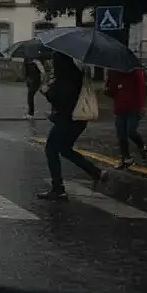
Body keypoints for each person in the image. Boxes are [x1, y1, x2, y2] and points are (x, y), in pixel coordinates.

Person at [38, 51, 106, 199]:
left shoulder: (64, 80)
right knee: (65, 149)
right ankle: (95, 172)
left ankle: (58, 188)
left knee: (51, 150)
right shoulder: (76, 75)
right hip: (79, 121)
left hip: (66, 121)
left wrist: (47, 92)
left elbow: (61, 102)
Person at [104, 67, 147, 169]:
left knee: (131, 131)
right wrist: (107, 89)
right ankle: (126, 159)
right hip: (120, 108)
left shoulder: (135, 71)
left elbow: (141, 88)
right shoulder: (112, 71)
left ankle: (141, 145)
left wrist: (141, 106)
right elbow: (111, 91)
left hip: (134, 107)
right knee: (121, 135)